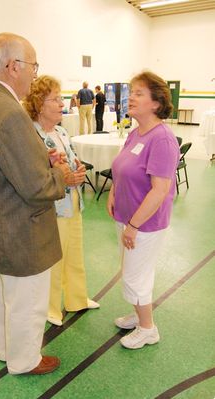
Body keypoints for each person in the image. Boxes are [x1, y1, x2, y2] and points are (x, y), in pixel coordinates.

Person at [0, 33, 73, 375]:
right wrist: (61, 176)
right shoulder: (9, 113)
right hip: (19, 230)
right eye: (33, 66)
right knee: (27, 303)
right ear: (13, 67)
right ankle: (25, 361)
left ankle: (6, 351)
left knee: (2, 300)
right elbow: (36, 186)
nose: (34, 75)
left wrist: (39, 154)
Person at [107, 71, 180, 349]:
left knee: (136, 274)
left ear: (156, 103)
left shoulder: (162, 139)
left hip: (145, 224)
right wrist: (113, 192)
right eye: (132, 92)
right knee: (131, 270)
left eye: (139, 93)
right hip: (127, 217)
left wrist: (134, 225)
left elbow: (159, 190)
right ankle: (139, 316)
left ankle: (148, 328)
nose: (131, 98)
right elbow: (122, 167)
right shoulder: (136, 132)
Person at [23, 75, 100, 327]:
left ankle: (77, 299)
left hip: (73, 202)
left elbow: (72, 159)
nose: (62, 103)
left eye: (60, 98)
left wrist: (78, 170)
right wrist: (63, 176)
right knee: (54, 259)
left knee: (75, 253)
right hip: (51, 209)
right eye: (55, 99)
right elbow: (32, 175)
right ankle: (51, 308)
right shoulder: (30, 135)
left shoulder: (62, 131)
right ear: (39, 103)